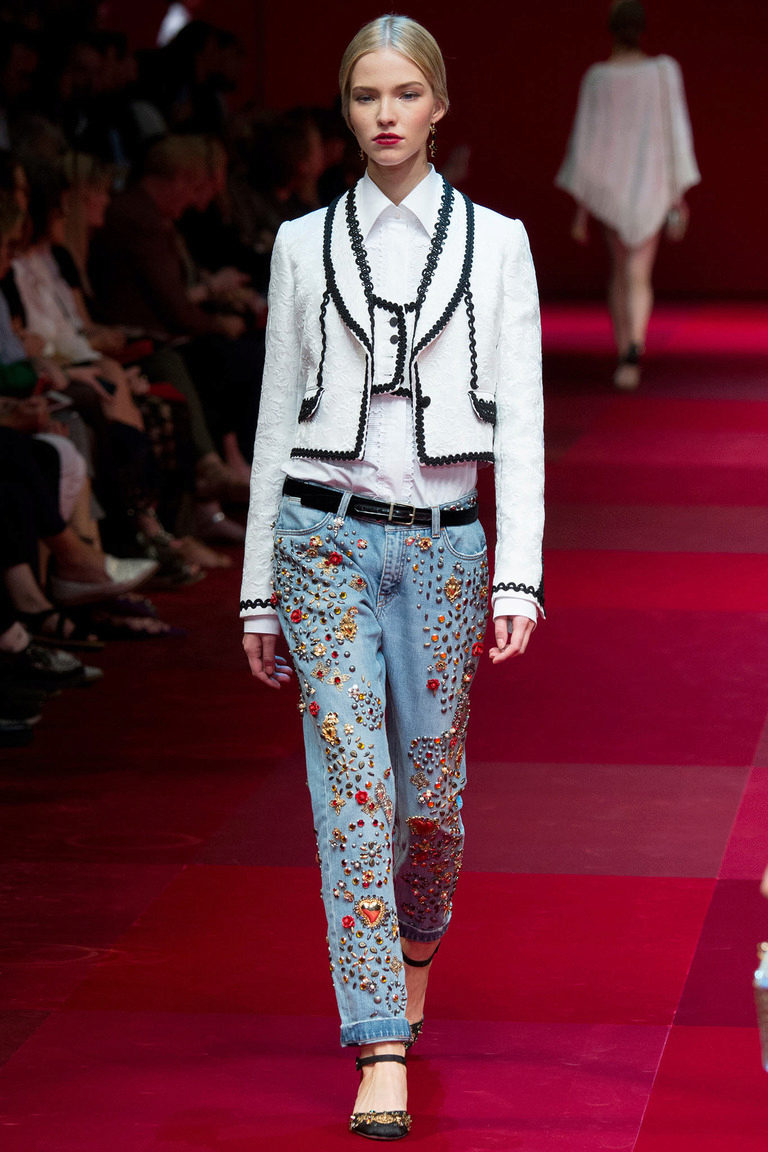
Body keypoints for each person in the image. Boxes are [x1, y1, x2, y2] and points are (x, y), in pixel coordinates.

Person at [240, 15, 544, 1141]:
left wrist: (519, 576)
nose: (385, 114)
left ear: (438, 105)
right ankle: (378, 1039)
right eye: (367, 95)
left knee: (432, 802)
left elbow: (524, 422)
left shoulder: (498, 243)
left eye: (405, 93)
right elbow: (275, 417)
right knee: (354, 794)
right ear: (346, 108)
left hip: (447, 547)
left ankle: (415, 952)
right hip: (321, 541)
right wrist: (257, 589)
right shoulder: (301, 244)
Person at [555, 0, 700, 389]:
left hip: (611, 184)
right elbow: (676, 131)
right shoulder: (663, 72)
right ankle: (632, 350)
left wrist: (583, 207)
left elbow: (586, 141)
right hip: (652, 181)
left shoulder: (598, 77)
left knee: (621, 271)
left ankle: (626, 353)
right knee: (638, 273)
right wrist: (677, 194)